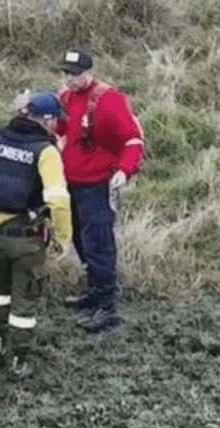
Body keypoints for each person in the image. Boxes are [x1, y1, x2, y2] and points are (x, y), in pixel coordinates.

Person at [0, 90, 72, 374]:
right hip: (27, 242)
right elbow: (58, 199)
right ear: (44, 119)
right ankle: (20, 359)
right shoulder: (46, 151)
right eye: (55, 119)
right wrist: (63, 236)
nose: (56, 124)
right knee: (24, 301)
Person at [54, 49, 145, 334]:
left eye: (76, 73)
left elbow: (132, 140)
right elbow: (56, 129)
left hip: (98, 184)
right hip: (71, 182)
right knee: (80, 239)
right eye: (67, 73)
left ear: (88, 71)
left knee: (99, 244)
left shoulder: (109, 100)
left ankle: (108, 307)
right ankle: (96, 290)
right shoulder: (65, 97)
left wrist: (123, 171)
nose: (71, 79)